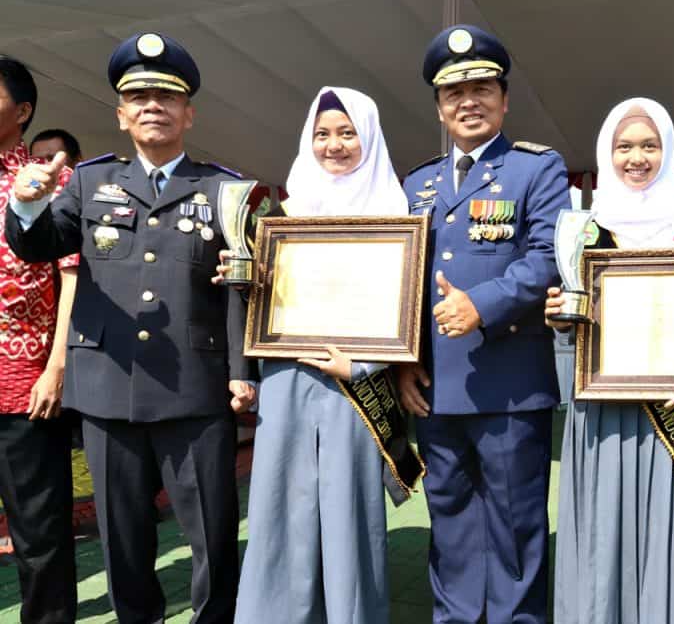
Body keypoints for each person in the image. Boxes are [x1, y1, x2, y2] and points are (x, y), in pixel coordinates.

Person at [5, 32, 257, 623]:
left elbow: (243, 291)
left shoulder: (224, 190)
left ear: (188, 113)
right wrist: (26, 205)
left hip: (196, 390)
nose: (152, 107)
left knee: (212, 537)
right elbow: (37, 247)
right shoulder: (88, 184)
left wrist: (245, 375)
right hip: (107, 388)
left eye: (166, 97)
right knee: (123, 541)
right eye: (138, 97)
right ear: (120, 116)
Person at [396, 24, 569, 623]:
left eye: (482, 88)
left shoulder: (537, 170)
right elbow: (403, 281)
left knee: (517, 521)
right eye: (454, 92)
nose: (468, 101)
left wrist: (481, 304)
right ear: (439, 106)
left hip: (509, 382)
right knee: (449, 517)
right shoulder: (417, 183)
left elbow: (549, 255)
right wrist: (404, 359)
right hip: (436, 385)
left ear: (504, 99)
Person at [231, 87, 424, 622]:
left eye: (347, 133)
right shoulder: (282, 214)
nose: (333, 145)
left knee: (347, 509)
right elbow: (260, 305)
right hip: (288, 378)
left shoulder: (395, 212)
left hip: (356, 385)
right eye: (322, 134)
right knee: (280, 505)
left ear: (370, 137)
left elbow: (405, 315)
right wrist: (246, 280)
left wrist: (361, 367)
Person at [548, 98, 674, 624]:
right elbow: (573, 305)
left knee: (666, 528)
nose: (637, 157)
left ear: (668, 151)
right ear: (607, 152)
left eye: (649, 145)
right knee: (602, 523)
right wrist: (561, 314)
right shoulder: (582, 227)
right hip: (601, 405)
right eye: (624, 146)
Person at [0, 55, 78, 623]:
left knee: (39, 532)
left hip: (25, 382)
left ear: (22, 111)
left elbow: (72, 277)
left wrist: (56, 367)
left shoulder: (53, 181)